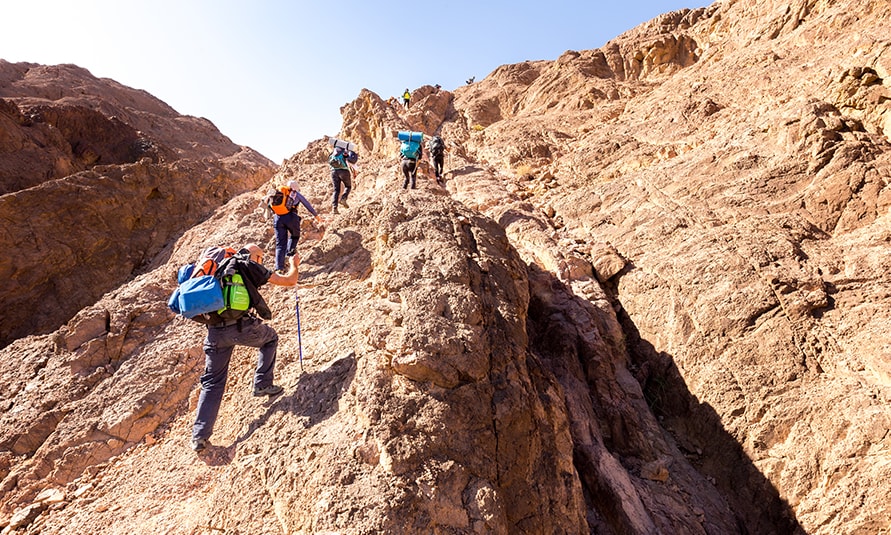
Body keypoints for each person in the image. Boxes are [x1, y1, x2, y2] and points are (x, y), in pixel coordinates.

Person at [190, 244, 300, 452]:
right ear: (255, 256)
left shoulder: (217, 269)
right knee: (270, 339)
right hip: (242, 327)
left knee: (212, 382)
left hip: (214, 333)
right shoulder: (248, 264)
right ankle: (262, 384)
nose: (262, 261)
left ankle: (199, 437)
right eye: (261, 257)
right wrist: (294, 265)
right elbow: (289, 281)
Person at [264, 180, 318, 273]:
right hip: (291, 217)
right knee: (295, 236)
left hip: (278, 218)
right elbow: (307, 204)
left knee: (280, 244)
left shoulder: (279, 193)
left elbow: (268, 205)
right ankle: (289, 254)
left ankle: (279, 268)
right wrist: (316, 216)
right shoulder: (295, 194)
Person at [328, 147, 353, 214]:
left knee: (336, 190)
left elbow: (329, 163)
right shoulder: (343, 152)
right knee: (348, 186)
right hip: (344, 171)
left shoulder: (332, 154)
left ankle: (334, 208)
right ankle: (343, 199)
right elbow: (350, 159)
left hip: (333, 172)